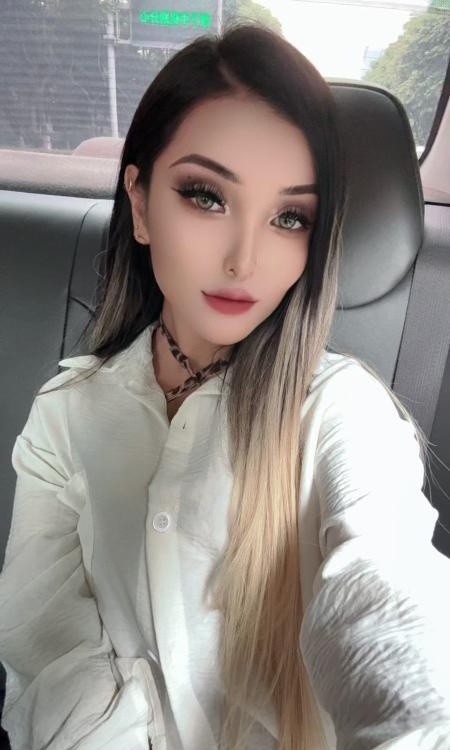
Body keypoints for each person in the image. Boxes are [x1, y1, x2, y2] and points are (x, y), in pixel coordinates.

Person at [0, 20, 449, 750]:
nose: (246, 259)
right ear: (140, 205)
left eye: (289, 217)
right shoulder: (65, 413)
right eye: (207, 196)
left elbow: (389, 607)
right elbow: (44, 648)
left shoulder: (340, 412)